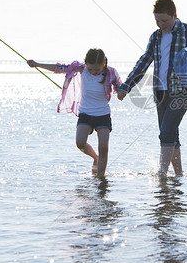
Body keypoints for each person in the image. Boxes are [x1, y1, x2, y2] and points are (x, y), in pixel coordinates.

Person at [117, 0, 187, 176]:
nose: (160, 24)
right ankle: (178, 175)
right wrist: (127, 85)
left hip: (182, 89)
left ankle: (161, 173)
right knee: (171, 134)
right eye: (157, 21)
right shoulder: (156, 36)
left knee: (166, 132)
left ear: (174, 15)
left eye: (164, 20)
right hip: (160, 90)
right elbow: (144, 61)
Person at [27, 48, 121, 177]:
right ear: (86, 64)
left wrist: (121, 93)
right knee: (80, 143)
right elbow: (59, 68)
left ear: (103, 64)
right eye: (91, 69)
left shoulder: (110, 72)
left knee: (104, 147)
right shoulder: (80, 69)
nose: (94, 72)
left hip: (103, 114)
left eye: (97, 70)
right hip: (85, 114)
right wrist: (37, 64)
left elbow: (119, 86)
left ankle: (100, 178)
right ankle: (96, 158)